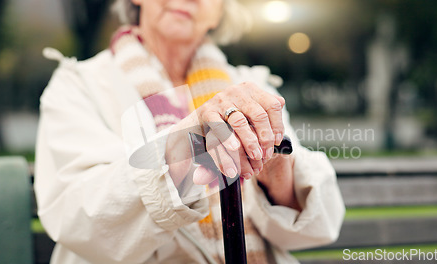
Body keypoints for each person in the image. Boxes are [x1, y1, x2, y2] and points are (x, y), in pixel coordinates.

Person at [35, 0, 345, 263]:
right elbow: (78, 215)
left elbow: (314, 228)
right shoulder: (79, 84)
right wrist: (186, 148)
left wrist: (275, 167)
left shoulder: (253, 86)